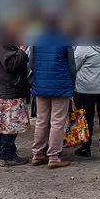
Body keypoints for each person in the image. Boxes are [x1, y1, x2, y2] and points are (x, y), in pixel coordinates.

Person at [30, 27, 76, 169]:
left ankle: (37, 154)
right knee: (57, 121)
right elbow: (72, 67)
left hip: (41, 85)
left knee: (41, 120)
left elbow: (31, 64)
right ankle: (54, 157)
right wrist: (71, 86)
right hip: (60, 85)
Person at [0, 45, 31, 167]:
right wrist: (22, 51)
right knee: (9, 123)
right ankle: (8, 155)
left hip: (3, 87)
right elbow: (10, 64)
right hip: (10, 88)